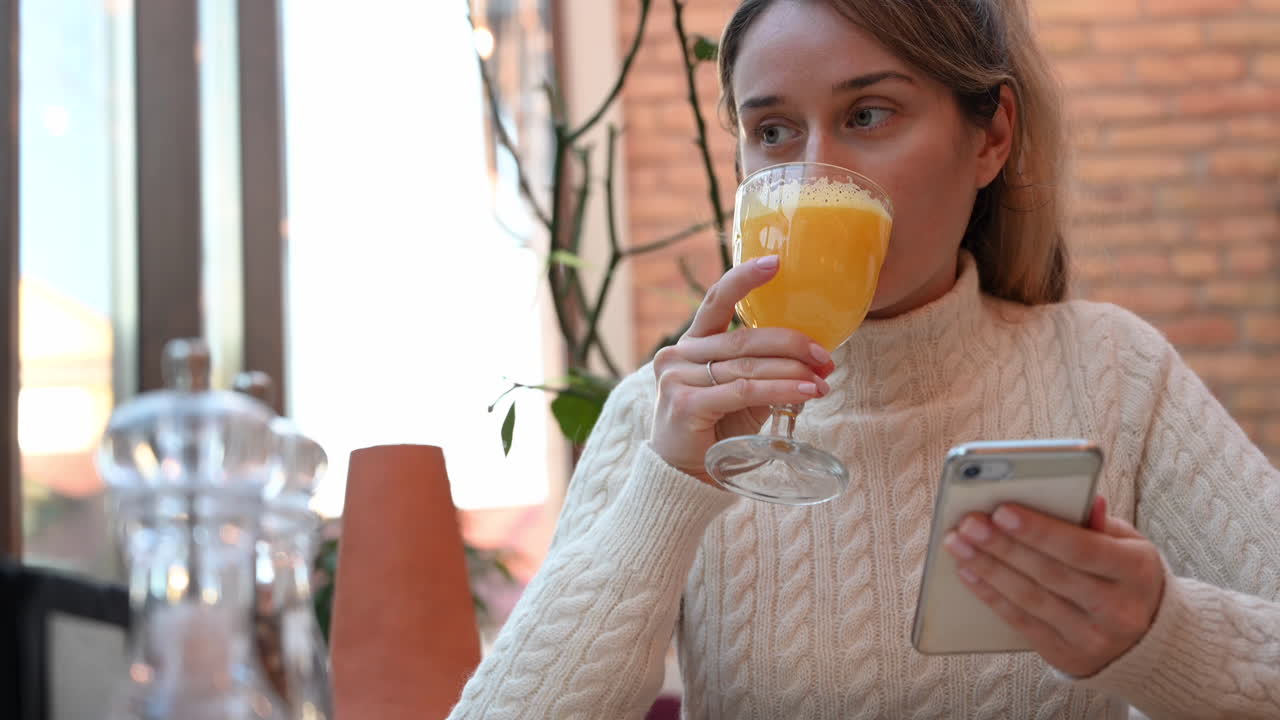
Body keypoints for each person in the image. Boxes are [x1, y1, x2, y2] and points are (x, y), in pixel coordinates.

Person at [448, 0, 1280, 717]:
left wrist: (1166, 636)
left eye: (867, 116)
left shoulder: (1112, 372)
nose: (814, 177)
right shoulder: (664, 414)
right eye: (772, 131)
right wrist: (666, 489)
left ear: (991, 136)